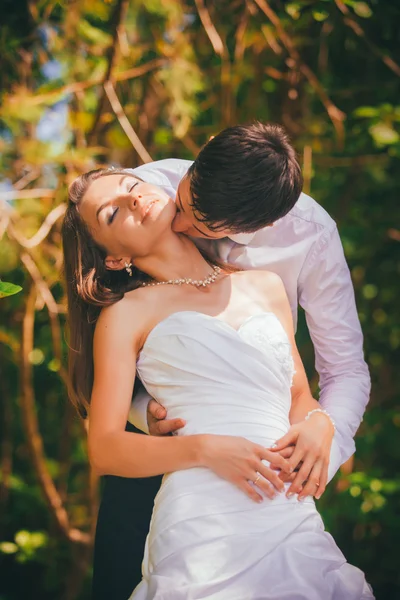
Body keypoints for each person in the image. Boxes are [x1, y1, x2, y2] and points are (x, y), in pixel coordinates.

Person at [62, 159, 373, 598]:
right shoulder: (124, 315)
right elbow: (104, 448)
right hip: (199, 514)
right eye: (112, 214)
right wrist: (203, 449)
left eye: (132, 185)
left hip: (285, 507)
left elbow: (299, 395)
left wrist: (321, 423)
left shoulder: (266, 285)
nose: (133, 196)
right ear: (115, 256)